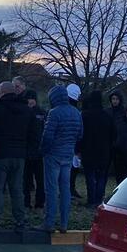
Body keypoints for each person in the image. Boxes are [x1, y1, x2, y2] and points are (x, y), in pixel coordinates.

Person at [0, 81, 37, 232]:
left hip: (0, 154)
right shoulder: (26, 110)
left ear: (1, 92)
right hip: (19, 155)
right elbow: (34, 133)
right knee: (17, 190)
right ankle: (20, 220)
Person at [39, 85, 83, 232]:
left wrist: (43, 151)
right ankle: (64, 224)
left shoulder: (54, 113)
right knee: (65, 190)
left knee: (51, 190)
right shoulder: (76, 112)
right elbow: (80, 134)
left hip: (53, 155)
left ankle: (49, 223)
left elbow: (47, 136)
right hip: (68, 155)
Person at [78, 90, 115, 208]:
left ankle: (91, 200)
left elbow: (80, 134)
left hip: (88, 150)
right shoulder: (107, 116)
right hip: (104, 151)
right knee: (101, 177)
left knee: (89, 176)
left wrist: (79, 149)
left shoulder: (85, 115)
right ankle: (99, 199)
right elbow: (114, 134)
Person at [22, 89, 46, 209]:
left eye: (32, 98)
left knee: (40, 180)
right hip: (26, 151)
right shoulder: (22, 113)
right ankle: (26, 202)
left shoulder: (42, 113)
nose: (30, 101)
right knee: (26, 180)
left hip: (39, 151)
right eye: (28, 99)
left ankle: (39, 202)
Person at [66, 83, 83, 199]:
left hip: (67, 145)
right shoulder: (76, 112)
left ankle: (69, 189)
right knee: (72, 168)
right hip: (71, 144)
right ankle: (70, 189)